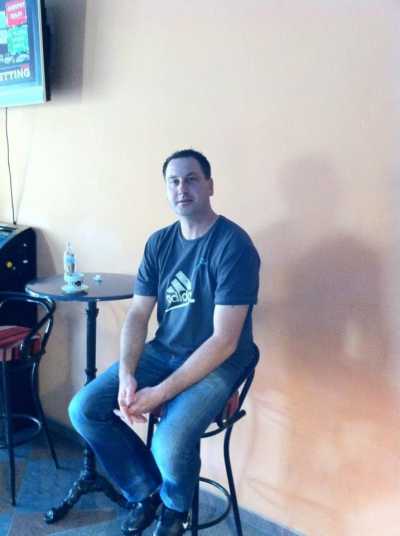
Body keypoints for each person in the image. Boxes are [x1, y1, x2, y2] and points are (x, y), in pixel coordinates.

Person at [69, 149, 260, 536]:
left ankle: (175, 509)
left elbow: (224, 341)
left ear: (210, 185)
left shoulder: (234, 246)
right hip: (165, 350)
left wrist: (158, 394)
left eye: (191, 179)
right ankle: (147, 492)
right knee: (84, 408)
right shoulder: (159, 243)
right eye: (173, 181)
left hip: (221, 360)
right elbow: (138, 314)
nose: (182, 188)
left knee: (169, 442)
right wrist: (127, 373)